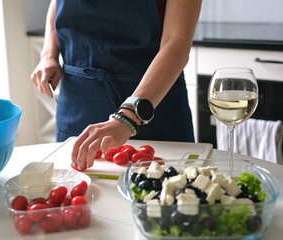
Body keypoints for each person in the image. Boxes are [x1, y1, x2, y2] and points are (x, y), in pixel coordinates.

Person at [30, 0, 202, 171]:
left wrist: (129, 116)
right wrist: (48, 54)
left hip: (152, 107)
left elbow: (177, 41)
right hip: (77, 102)